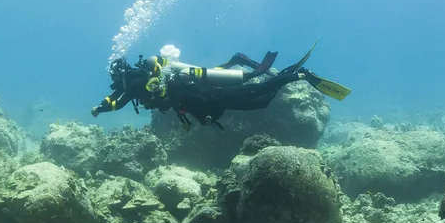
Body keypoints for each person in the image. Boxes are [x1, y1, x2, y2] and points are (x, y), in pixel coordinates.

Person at [91, 43, 350, 130]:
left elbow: (121, 98)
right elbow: (116, 100)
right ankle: (285, 73)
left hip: (214, 94)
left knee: (257, 91)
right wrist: (99, 109)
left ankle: (299, 75)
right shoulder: (132, 87)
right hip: (214, 102)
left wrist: (101, 108)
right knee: (262, 100)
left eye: (114, 79)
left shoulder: (139, 81)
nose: (114, 84)